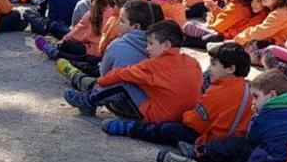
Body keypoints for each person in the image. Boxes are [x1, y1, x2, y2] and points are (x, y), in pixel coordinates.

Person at [154, 55, 287, 162]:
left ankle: (200, 154)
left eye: (255, 97)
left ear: (272, 95)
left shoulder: (263, 116)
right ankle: (198, 157)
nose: (252, 102)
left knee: (234, 146)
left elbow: (251, 138)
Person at [106, 41, 257, 145]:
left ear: (230, 69)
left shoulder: (218, 92)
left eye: (214, 64)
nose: (210, 68)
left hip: (211, 139)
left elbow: (194, 122)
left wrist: (185, 114)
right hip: (232, 138)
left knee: (168, 129)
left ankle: (131, 129)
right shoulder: (248, 88)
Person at [62, 20, 202, 121]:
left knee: (124, 83)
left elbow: (121, 74)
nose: (147, 48)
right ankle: (83, 85)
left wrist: (100, 81)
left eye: (151, 43)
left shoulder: (154, 65)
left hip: (159, 116)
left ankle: (88, 100)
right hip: (182, 115)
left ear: (166, 45)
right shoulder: (193, 63)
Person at [57, 0, 151, 84]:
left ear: (136, 26)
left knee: (87, 77)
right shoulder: (154, 45)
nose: (119, 24)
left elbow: (103, 72)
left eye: (122, 21)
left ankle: (74, 73)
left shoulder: (117, 44)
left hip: (112, 88)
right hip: (137, 94)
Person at [182, 0, 256, 47]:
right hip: (220, 33)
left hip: (221, 36)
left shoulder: (238, 9)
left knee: (189, 26)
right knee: (192, 25)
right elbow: (222, 18)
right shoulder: (236, 5)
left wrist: (213, 15)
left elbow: (216, 27)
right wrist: (214, 10)